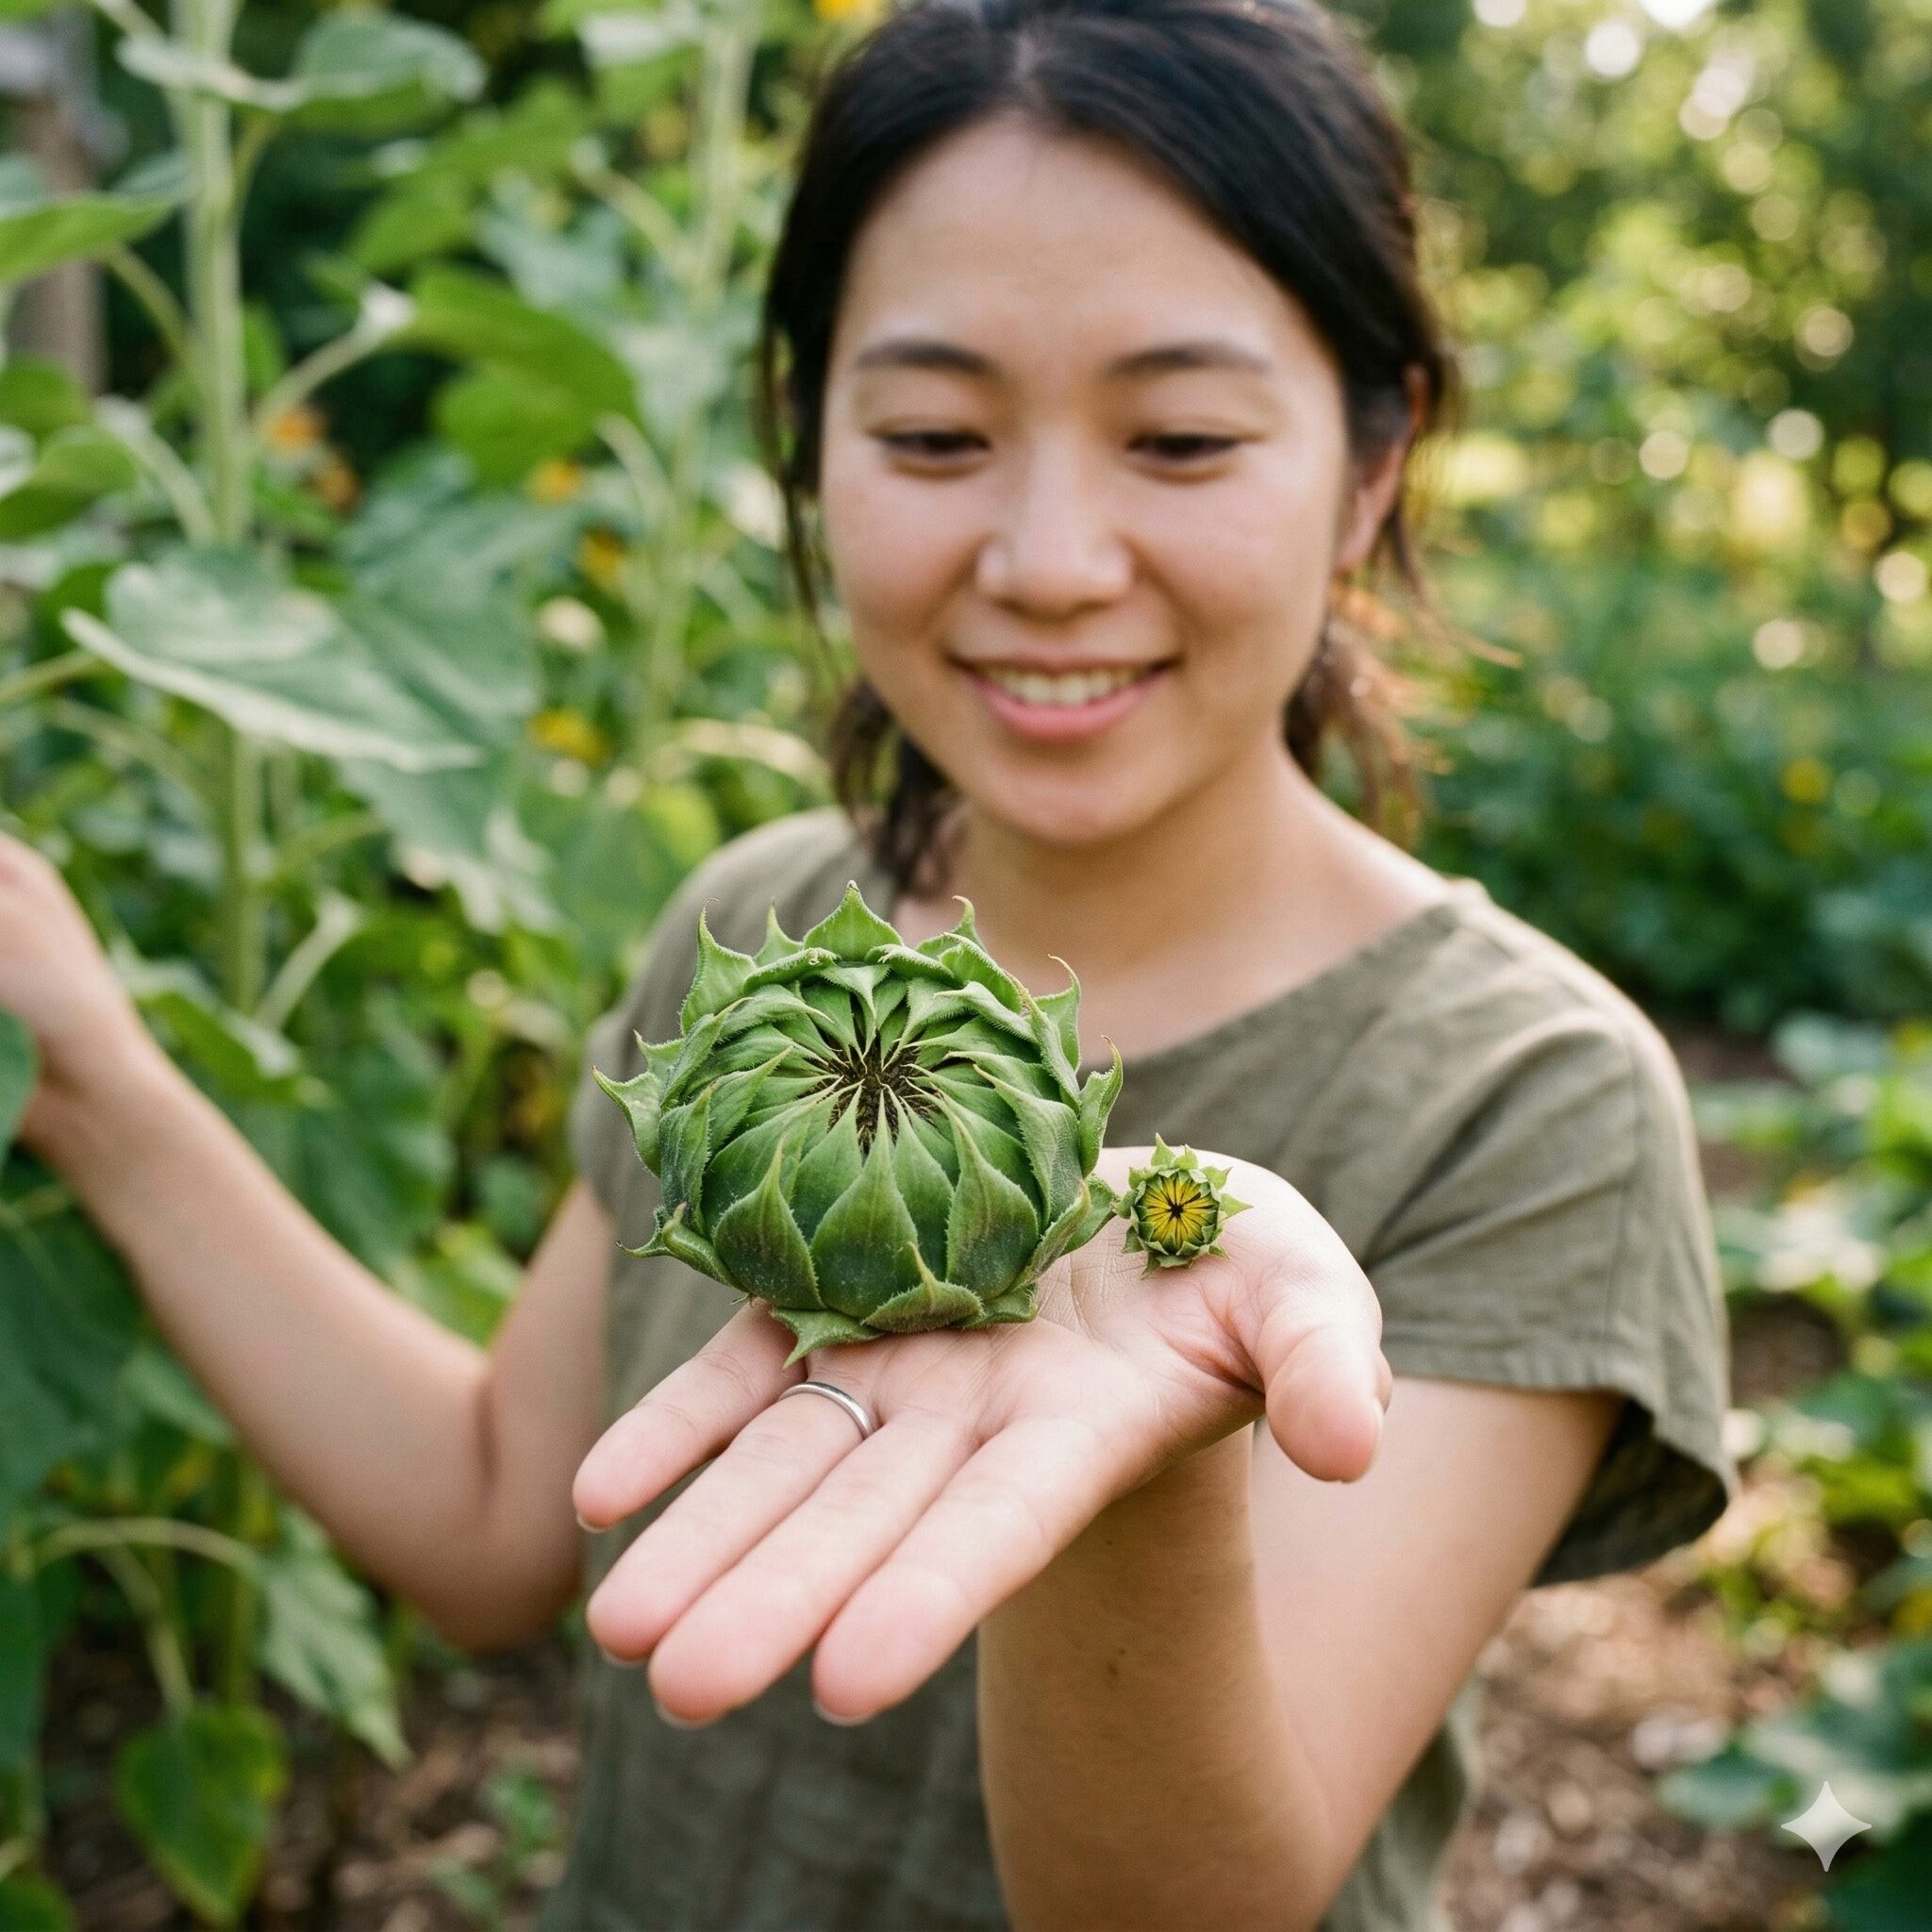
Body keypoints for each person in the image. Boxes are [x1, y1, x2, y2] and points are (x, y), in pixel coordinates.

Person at [1, 0, 1739, 1926]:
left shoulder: (1522, 1102)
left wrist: (1149, 1453)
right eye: (930, 434)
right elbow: (500, 1513)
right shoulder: (751, 937)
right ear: (804, 438)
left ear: (1371, 460)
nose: (1051, 555)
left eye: (1175, 436)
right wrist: (92, 1070)